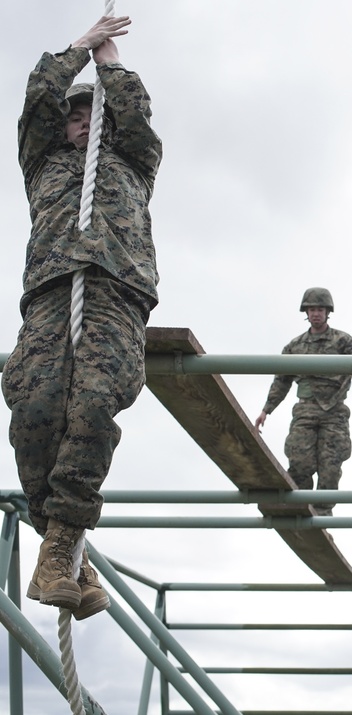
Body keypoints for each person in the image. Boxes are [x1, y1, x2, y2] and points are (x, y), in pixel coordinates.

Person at [1, 16, 161, 620]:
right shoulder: (42, 165)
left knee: (95, 403)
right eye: (74, 116)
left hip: (115, 293)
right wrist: (77, 49)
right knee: (32, 406)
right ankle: (69, 560)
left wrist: (111, 64)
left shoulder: (133, 163)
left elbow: (136, 115)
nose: (81, 122)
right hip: (49, 293)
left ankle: (60, 545)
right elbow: (37, 99)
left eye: (92, 115)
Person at [255, 288, 352, 515]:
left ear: (327, 312)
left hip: (334, 412)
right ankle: (299, 507)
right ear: (306, 312)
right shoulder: (295, 346)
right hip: (305, 409)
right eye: (312, 309)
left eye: (320, 309)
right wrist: (267, 410)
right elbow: (281, 380)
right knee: (299, 462)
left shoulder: (342, 341)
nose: (316, 313)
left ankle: (322, 514)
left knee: (330, 466)